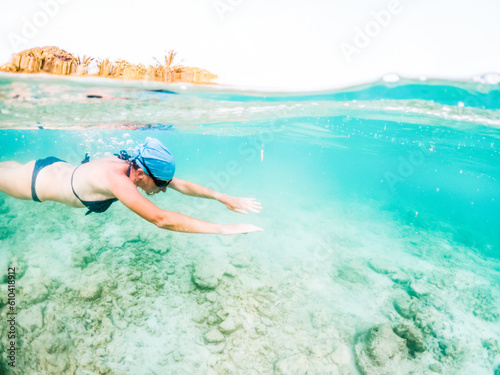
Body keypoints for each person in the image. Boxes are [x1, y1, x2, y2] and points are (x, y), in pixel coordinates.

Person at [0, 138, 263, 235]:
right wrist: (226, 229)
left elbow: (178, 184)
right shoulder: (118, 180)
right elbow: (161, 219)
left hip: (53, 167)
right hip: (33, 183)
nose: (163, 190)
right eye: (160, 184)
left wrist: (222, 197)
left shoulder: (135, 165)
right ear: (139, 173)